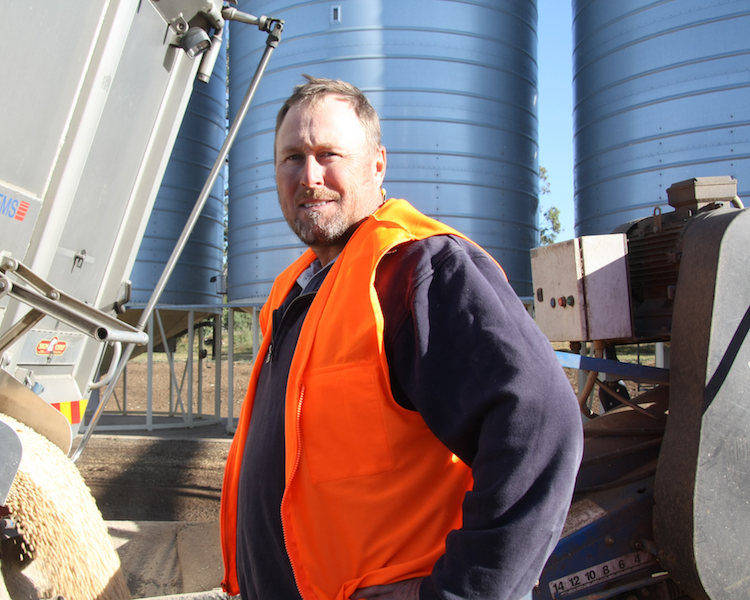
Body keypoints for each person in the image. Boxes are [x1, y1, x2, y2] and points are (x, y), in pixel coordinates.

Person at [219, 75, 583, 600]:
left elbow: (540, 420)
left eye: (329, 154)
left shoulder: (418, 269)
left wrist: (464, 592)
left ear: (377, 164)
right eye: (292, 157)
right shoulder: (297, 290)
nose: (309, 175)